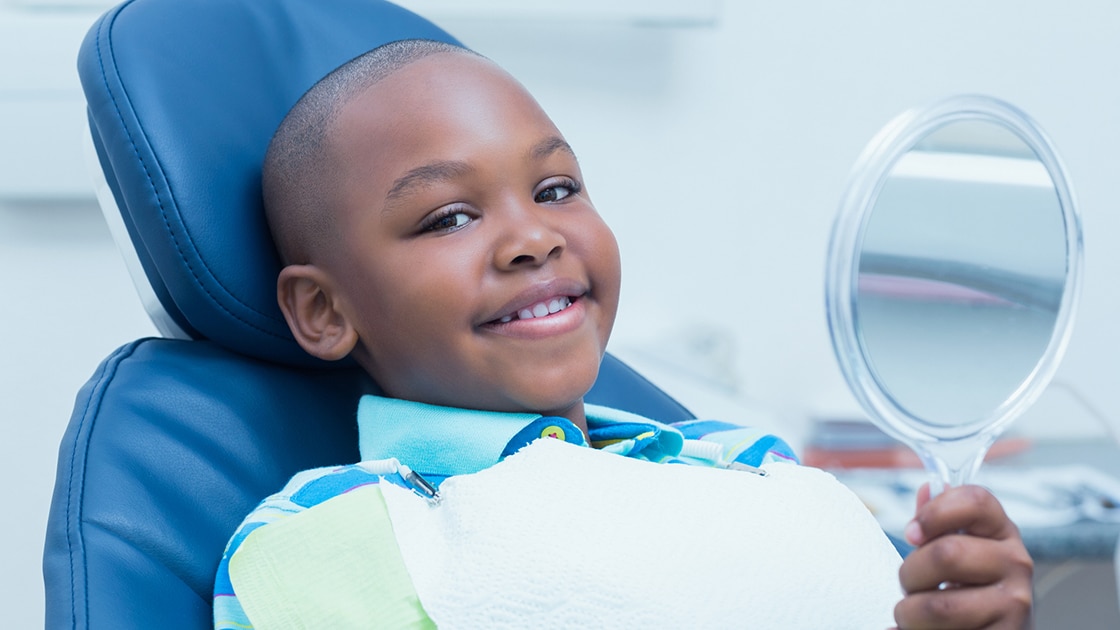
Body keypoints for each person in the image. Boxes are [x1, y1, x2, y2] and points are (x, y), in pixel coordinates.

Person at [213, 39, 1033, 629]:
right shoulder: (328, 537)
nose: (534, 236)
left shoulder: (748, 465)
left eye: (557, 187)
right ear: (324, 311)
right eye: (449, 216)